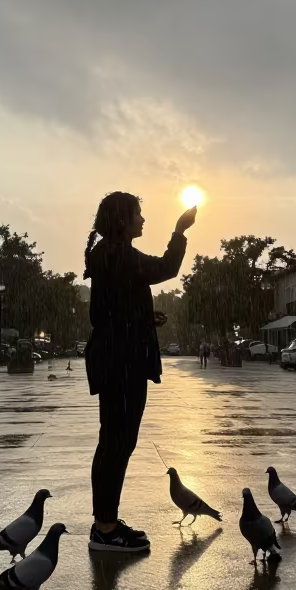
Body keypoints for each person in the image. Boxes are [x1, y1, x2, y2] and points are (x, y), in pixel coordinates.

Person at [84, 192, 197, 552]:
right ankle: (105, 529)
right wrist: (179, 231)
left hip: (116, 358)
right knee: (117, 443)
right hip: (122, 363)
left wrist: (146, 319)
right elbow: (166, 268)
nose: (143, 220)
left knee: (113, 443)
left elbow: (114, 309)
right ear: (122, 221)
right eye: (139, 214)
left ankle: (107, 522)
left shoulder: (109, 255)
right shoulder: (119, 255)